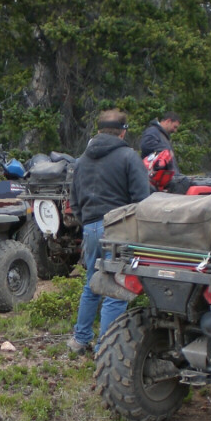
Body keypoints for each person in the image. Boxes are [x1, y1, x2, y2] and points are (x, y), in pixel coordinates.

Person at [67, 109, 152, 353]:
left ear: (99, 130)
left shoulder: (82, 160)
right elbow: (141, 199)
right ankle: (107, 348)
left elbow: (75, 199)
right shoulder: (128, 156)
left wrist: (88, 223)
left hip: (91, 227)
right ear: (123, 131)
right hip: (120, 228)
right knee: (117, 288)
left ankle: (80, 339)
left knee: (92, 284)